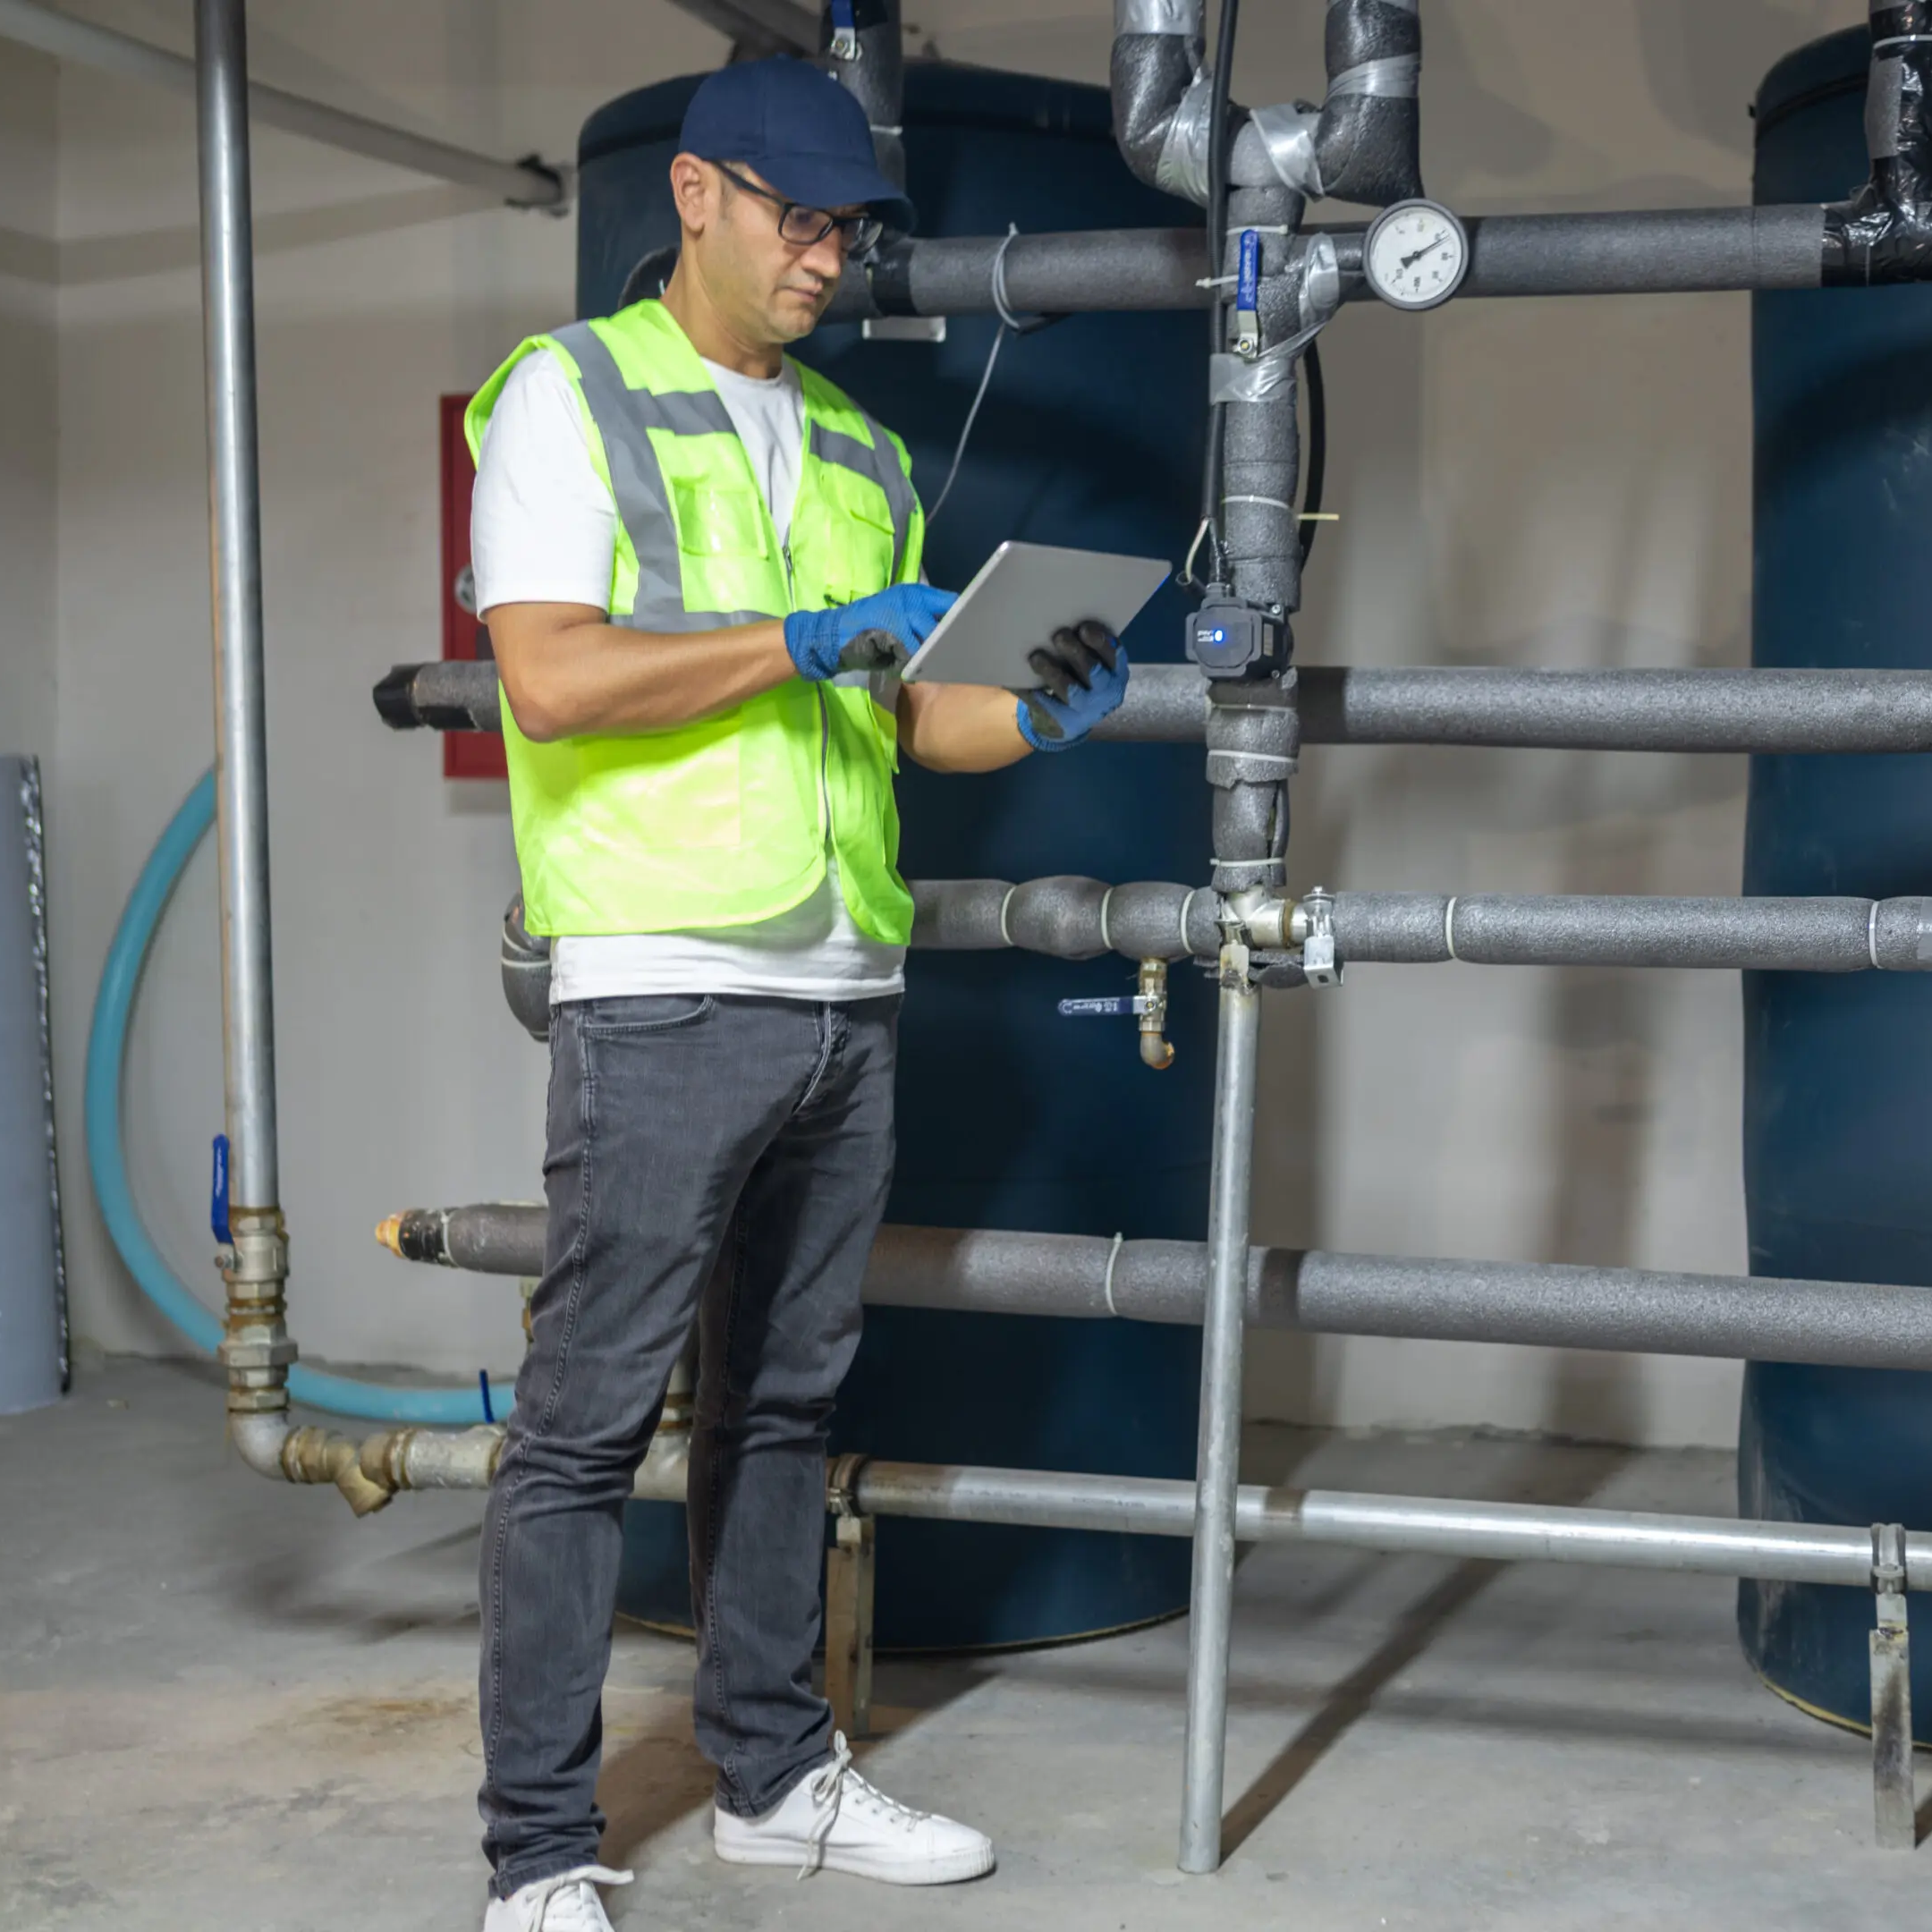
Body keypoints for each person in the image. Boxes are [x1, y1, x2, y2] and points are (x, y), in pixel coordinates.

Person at [461, 56, 1126, 1932]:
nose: (829, 256)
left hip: (843, 978)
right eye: (798, 217)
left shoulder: (852, 447)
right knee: (586, 1427)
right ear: (695, 194)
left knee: (781, 1406)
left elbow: (911, 710)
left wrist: (1037, 704)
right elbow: (555, 682)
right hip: (665, 981)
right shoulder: (567, 398)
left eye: (849, 228)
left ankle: (771, 1777)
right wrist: (799, 639)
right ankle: (535, 1858)